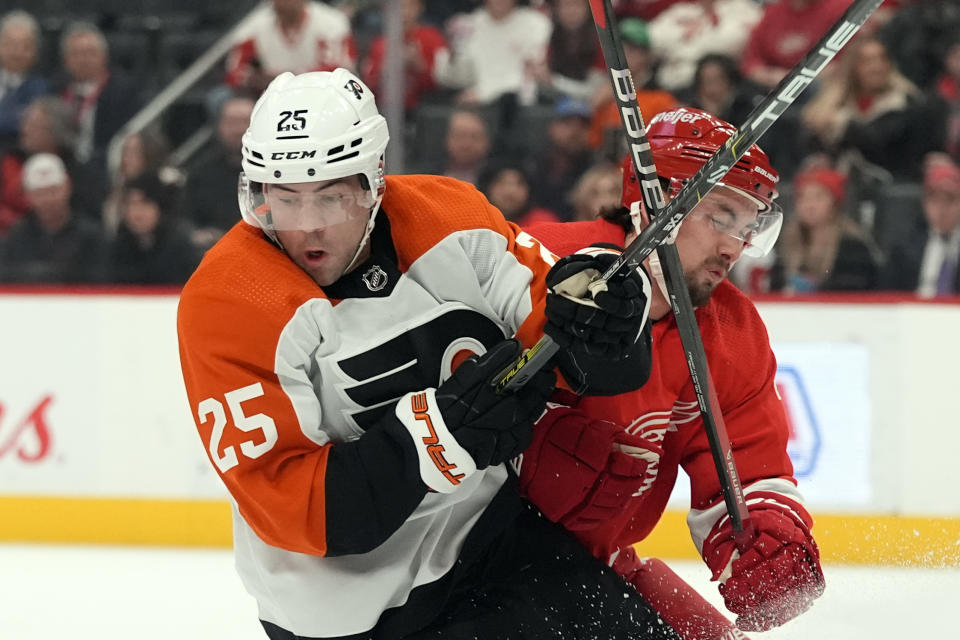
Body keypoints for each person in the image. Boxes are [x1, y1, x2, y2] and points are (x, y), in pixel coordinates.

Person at [177, 69, 659, 640]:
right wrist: (434, 436)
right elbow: (303, 512)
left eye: (330, 195)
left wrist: (609, 318)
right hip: (346, 612)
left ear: (373, 180)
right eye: (285, 197)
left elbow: (579, 358)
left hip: (488, 541)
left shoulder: (448, 217)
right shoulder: (230, 301)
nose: (307, 225)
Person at [518, 107, 825, 634]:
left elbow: (749, 465)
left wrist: (766, 536)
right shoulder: (539, 262)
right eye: (721, 217)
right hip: (471, 561)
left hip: (597, 567)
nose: (735, 246)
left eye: (749, 226)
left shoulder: (732, 330)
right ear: (655, 200)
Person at [771, 165, 882, 293]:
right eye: (803, 197)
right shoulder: (785, 242)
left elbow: (858, 288)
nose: (809, 205)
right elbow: (774, 285)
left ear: (834, 204)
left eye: (818, 197)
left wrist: (818, 289)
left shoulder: (852, 245)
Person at [0, 152, 104, 283]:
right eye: (39, 193)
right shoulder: (16, 237)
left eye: (53, 191)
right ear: (27, 195)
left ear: (67, 186)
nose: (47, 200)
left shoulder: (91, 237)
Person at [881, 158, 960, 296]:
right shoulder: (903, 249)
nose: (941, 209)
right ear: (924, 203)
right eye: (934, 200)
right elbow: (885, 295)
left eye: (950, 199)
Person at [0, 10, 49, 151]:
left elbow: (18, 126)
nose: (17, 53)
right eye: (10, 44)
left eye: (25, 47)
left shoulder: (41, 89)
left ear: (35, 52)